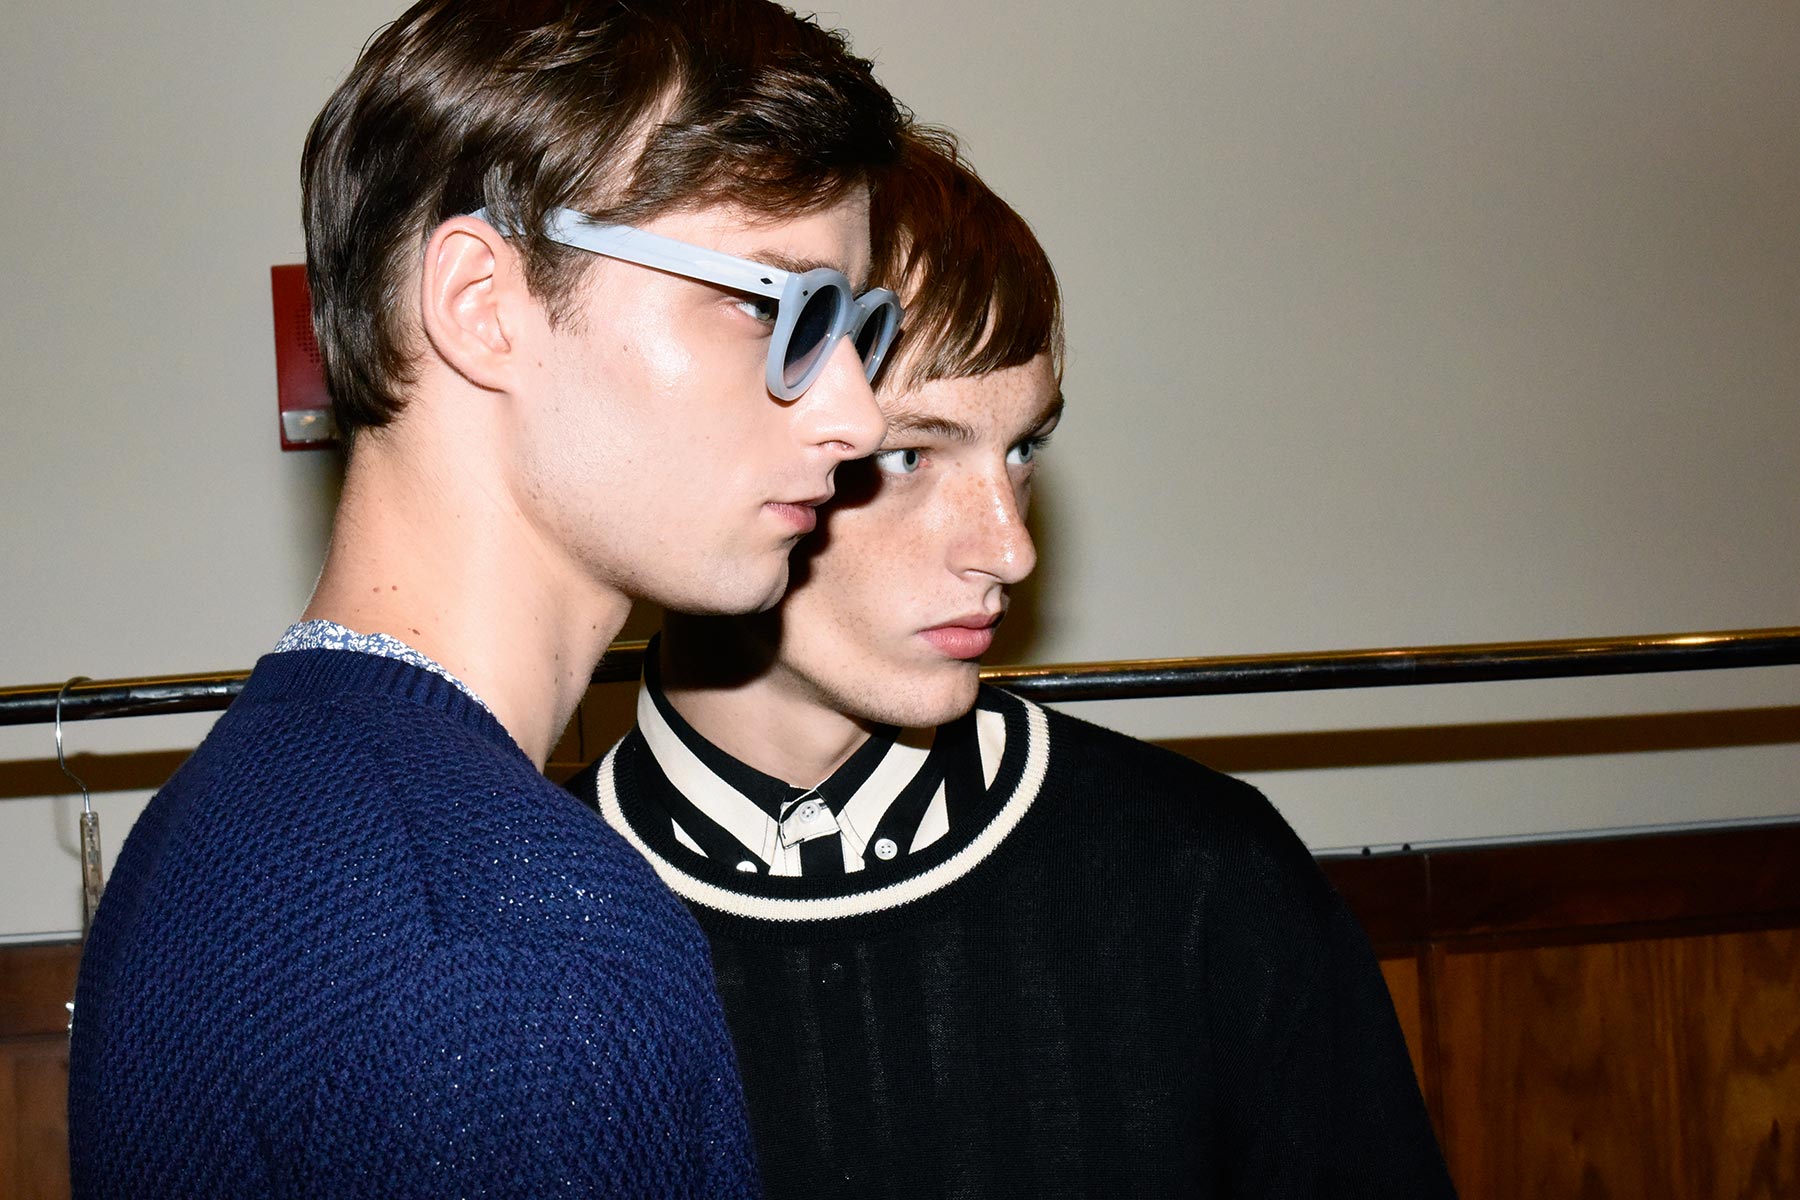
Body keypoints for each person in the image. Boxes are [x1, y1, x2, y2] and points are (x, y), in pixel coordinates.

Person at [67, 2, 906, 1195]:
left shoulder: (226, 817)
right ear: (482, 303)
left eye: (858, 327)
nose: (857, 415)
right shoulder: (513, 955)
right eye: (772, 305)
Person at [569, 128, 1458, 1197]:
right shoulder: (514, 921)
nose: (1009, 547)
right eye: (908, 454)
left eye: (1023, 448)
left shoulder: (1203, 874)